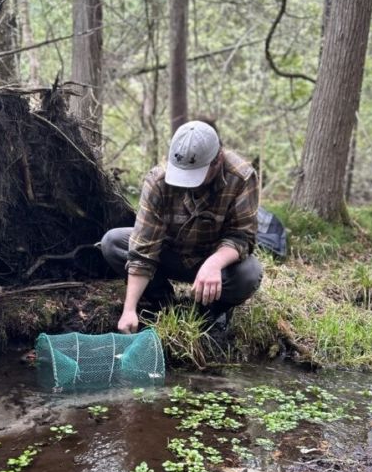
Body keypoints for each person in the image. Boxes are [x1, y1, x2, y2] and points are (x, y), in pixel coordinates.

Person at [101, 119, 263, 335]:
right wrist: (129, 309)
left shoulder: (241, 177)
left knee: (249, 273)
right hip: (169, 254)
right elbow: (143, 248)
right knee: (113, 242)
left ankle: (211, 311)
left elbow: (242, 236)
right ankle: (162, 301)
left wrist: (214, 262)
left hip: (215, 263)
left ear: (217, 160)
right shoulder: (158, 180)